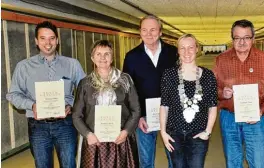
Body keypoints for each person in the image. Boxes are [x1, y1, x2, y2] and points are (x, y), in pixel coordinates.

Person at [6, 21, 85, 168]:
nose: (48, 43)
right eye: (43, 38)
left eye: (52, 38)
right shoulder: (23, 67)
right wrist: (32, 105)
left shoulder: (72, 64)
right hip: (38, 126)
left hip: (66, 125)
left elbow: (85, 92)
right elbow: (13, 95)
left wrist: (71, 105)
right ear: (36, 41)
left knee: (69, 165)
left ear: (57, 40)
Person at [213, 19, 264, 168]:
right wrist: (223, 93)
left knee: (258, 162)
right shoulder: (221, 60)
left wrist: (261, 111)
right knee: (233, 162)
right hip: (229, 117)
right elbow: (212, 88)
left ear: (253, 39)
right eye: (237, 38)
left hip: (257, 119)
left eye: (246, 37)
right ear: (232, 39)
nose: (242, 42)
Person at [72, 40, 140, 167]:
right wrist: (88, 134)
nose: (103, 58)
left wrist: (126, 132)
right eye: (98, 54)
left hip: (120, 139)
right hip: (94, 141)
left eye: (107, 54)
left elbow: (135, 110)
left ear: (112, 57)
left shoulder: (125, 80)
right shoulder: (85, 83)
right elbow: (76, 115)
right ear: (92, 58)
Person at [123, 15, 178, 168]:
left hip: (172, 115)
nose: (149, 34)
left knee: (175, 159)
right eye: (144, 30)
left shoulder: (173, 53)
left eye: (153, 29)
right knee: (146, 162)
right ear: (140, 32)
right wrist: (138, 116)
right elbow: (128, 90)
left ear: (161, 32)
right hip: (145, 118)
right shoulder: (131, 57)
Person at [160, 34, 218, 168]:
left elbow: (213, 106)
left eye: (191, 47)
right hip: (174, 134)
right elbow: (164, 105)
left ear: (197, 49)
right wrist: (163, 132)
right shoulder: (169, 75)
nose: (187, 52)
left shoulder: (208, 76)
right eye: (182, 48)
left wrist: (207, 132)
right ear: (178, 51)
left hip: (198, 134)